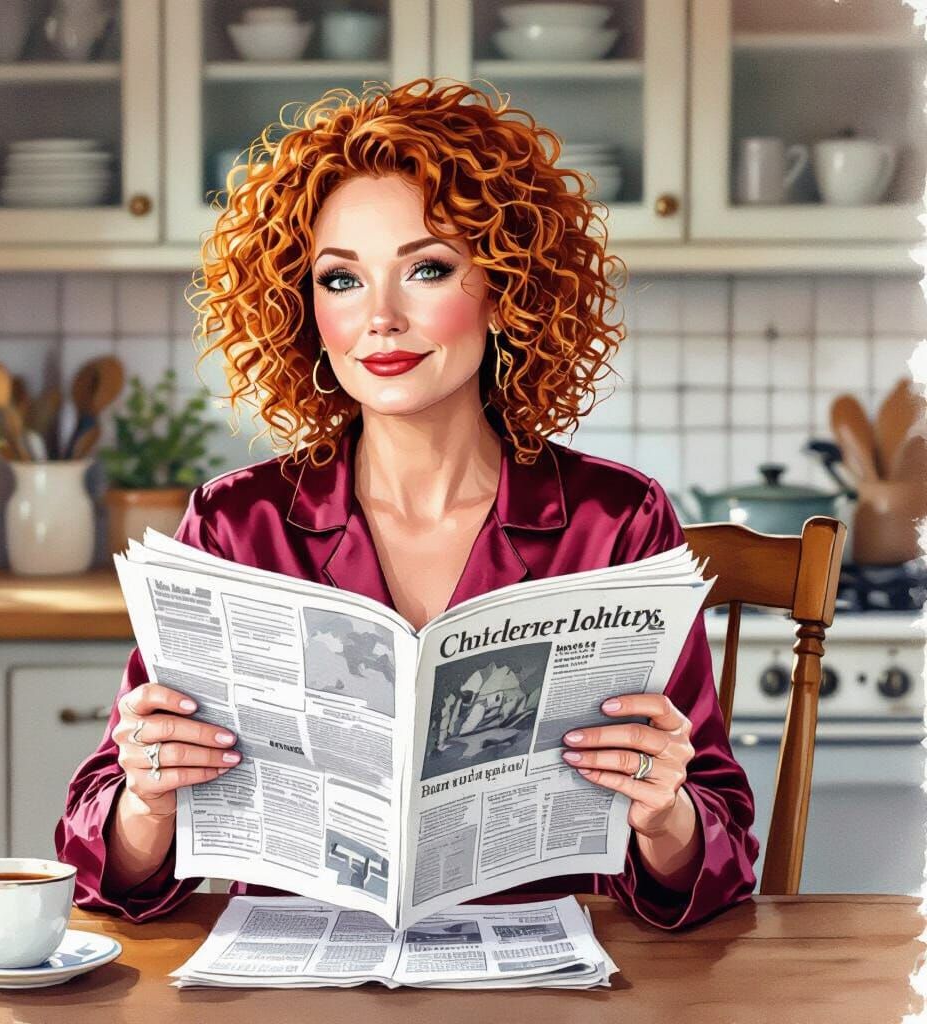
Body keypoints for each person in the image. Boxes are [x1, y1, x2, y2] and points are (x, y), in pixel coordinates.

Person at [56, 78, 759, 931]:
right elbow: (102, 869)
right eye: (341, 280)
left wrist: (666, 815)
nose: (380, 318)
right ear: (305, 311)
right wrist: (148, 801)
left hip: (545, 989)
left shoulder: (617, 520)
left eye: (427, 269)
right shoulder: (236, 524)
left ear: (505, 288)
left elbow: (719, 857)